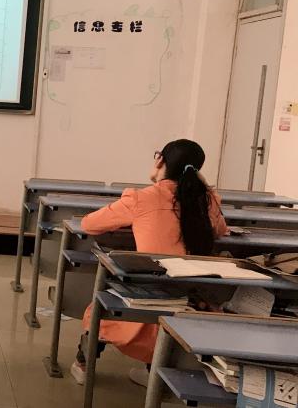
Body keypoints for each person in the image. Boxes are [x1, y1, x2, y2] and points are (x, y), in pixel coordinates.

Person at [69, 139, 229, 387]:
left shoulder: (142, 198)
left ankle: (83, 362)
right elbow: (220, 230)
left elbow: (89, 224)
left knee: (104, 303)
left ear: (160, 160)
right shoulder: (208, 201)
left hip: (148, 294)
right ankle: (155, 369)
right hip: (194, 295)